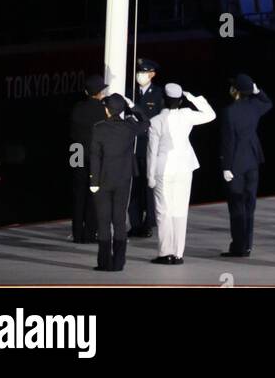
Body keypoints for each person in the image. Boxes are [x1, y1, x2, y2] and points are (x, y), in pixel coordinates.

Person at [147, 83, 216, 265]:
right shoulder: (187, 114)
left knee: (163, 211)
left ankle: (165, 253)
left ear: (163, 99)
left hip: (164, 168)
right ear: (180, 100)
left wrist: (149, 175)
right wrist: (193, 97)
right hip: (184, 167)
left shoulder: (155, 121)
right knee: (179, 210)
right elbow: (211, 114)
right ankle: (178, 254)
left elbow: (152, 152)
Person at [89, 94, 149, 272]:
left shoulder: (99, 128)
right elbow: (146, 122)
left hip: (102, 180)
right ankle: (118, 263)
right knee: (120, 220)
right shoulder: (130, 127)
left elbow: (95, 155)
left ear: (107, 110)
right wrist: (134, 108)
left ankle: (104, 262)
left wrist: (94, 180)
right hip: (123, 179)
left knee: (104, 221)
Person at [219, 73, 272, 258]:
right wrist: (257, 91)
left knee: (236, 207)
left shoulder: (229, 111)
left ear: (235, 91)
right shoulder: (254, 106)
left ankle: (239, 247)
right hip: (253, 160)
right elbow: (268, 103)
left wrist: (226, 166)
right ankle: (247, 245)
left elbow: (228, 142)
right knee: (249, 205)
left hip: (236, 164)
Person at [68, 73, 107, 244]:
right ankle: (90, 233)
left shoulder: (77, 108)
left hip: (76, 153)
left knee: (78, 194)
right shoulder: (103, 110)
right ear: (100, 93)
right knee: (94, 193)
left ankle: (77, 232)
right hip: (95, 155)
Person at [129, 57, 164, 237]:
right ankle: (134, 224)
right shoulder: (131, 93)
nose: (140, 75)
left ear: (152, 74)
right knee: (133, 187)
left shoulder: (158, 94)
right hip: (133, 147)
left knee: (149, 187)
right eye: (139, 72)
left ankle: (148, 223)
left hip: (150, 146)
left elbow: (159, 121)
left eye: (143, 72)